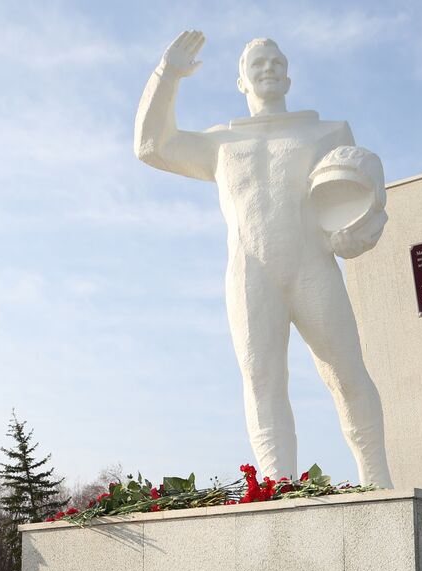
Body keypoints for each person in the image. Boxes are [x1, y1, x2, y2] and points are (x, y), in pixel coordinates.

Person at [135, 31, 393, 488]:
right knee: (262, 381)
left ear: (289, 75)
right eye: (258, 63)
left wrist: (366, 224)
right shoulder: (220, 144)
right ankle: (277, 485)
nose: (269, 68)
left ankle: (377, 481)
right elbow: (151, 146)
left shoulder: (327, 132)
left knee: (345, 373)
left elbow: (355, 196)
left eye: (277, 61)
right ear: (241, 81)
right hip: (251, 272)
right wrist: (167, 75)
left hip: (312, 266)